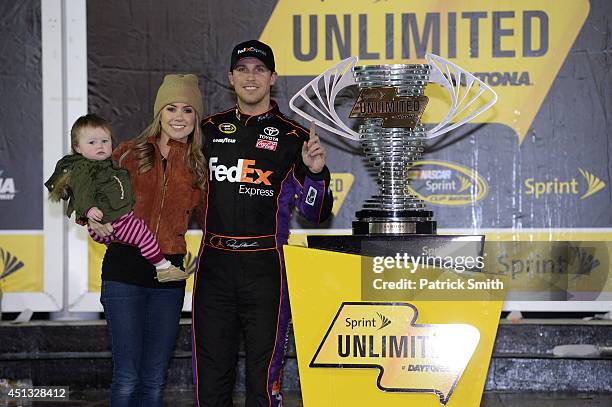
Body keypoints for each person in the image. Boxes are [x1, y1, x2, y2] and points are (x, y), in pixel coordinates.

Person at [192, 40, 333, 407]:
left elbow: (316, 214)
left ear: (272, 78)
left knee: (263, 377)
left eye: (259, 70)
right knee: (211, 374)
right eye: (242, 69)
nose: (250, 77)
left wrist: (316, 175)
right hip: (214, 267)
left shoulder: (295, 138)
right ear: (230, 78)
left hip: (266, 268)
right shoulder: (205, 131)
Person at [88, 74, 206, 406]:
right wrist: (92, 220)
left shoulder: (199, 167)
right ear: (159, 113)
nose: (178, 117)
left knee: (154, 379)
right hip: (124, 272)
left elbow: (215, 216)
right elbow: (90, 194)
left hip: (169, 276)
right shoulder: (128, 153)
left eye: (187, 110)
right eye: (171, 108)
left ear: (196, 118)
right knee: (127, 376)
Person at [44, 114, 189, 283]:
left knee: (133, 237)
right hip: (113, 220)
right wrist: (89, 211)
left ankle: (156, 264)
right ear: (78, 148)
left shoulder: (109, 164)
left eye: (105, 141)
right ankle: (163, 267)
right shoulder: (84, 169)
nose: (100, 146)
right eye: (92, 142)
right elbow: (81, 191)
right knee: (142, 233)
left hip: (112, 225)